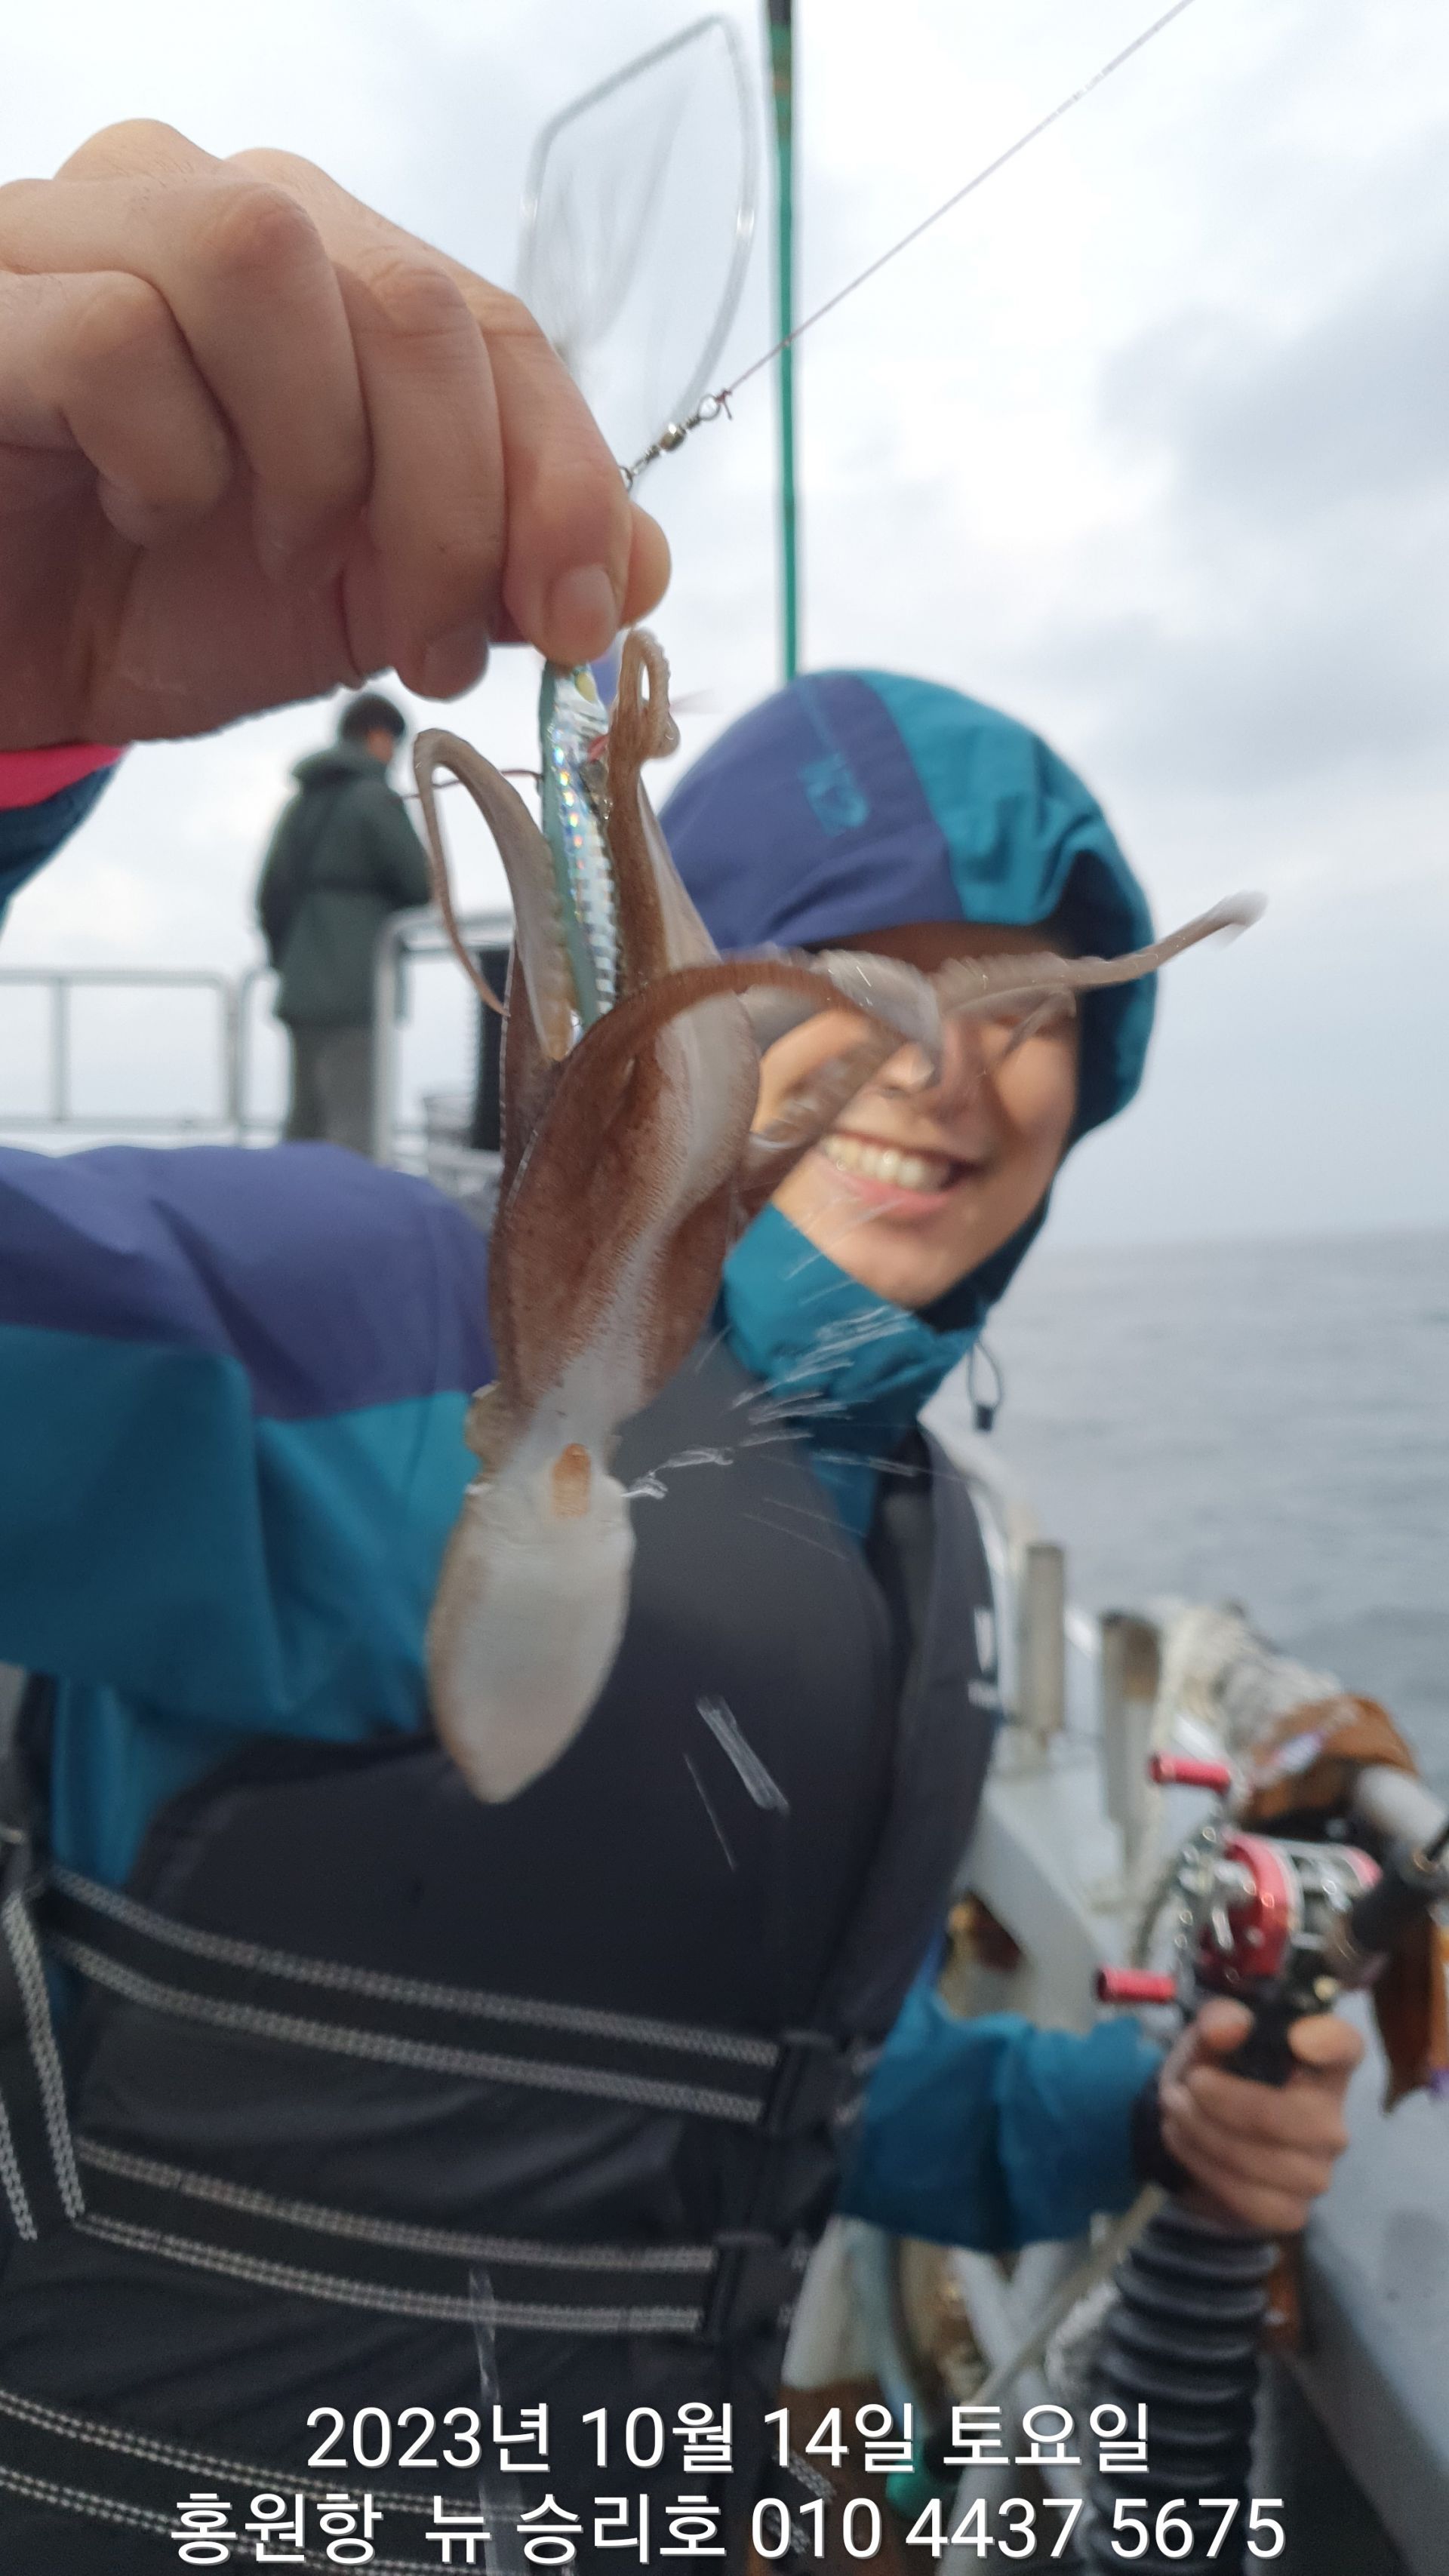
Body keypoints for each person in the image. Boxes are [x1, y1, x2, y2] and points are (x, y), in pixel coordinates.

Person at [0, 122, 1362, 2573]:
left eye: (1033, 1008)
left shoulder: (912, 1536)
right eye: (863, 974)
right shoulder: (347, 1325)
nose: (952, 1065)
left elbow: (767, 2084)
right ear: (704, 992)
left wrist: (1129, 2119)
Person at [257, 689, 429, 1154]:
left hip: (302, 983)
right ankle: (350, 1206)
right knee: (355, 1128)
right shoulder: (375, 798)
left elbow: (269, 896)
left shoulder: (300, 804)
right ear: (377, 737)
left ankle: (291, 1203)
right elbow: (419, 885)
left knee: (304, 1124)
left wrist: (290, 964)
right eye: (394, 743)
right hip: (359, 985)